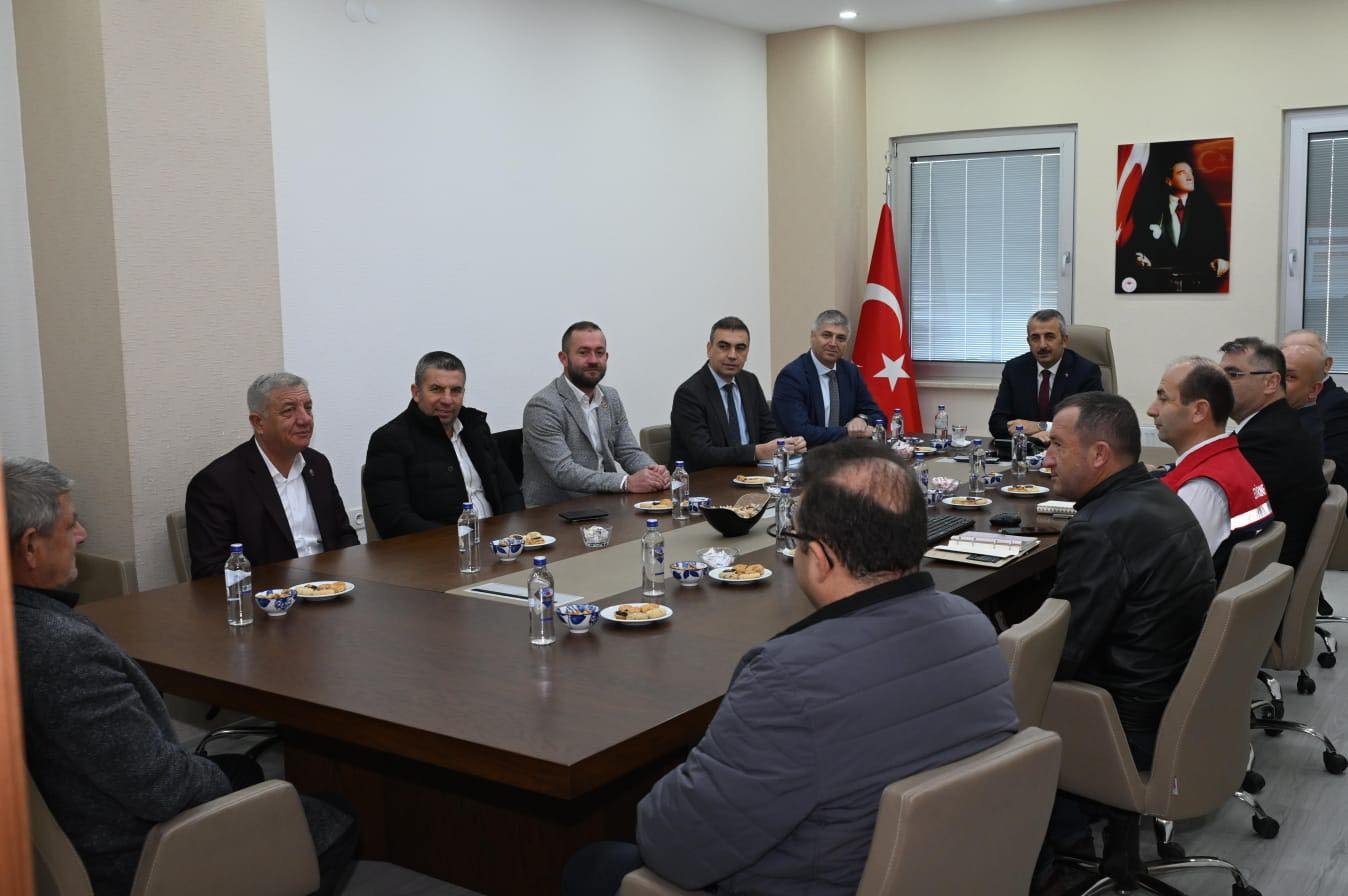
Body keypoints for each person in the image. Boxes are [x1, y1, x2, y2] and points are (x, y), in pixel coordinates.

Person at [562, 441, 1018, 896]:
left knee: (592, 865)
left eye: (793, 539)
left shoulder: (789, 681)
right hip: (953, 873)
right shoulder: (972, 625)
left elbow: (673, 846)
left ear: (819, 558)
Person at [8, 458, 357, 896]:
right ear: (30, 547)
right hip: (139, 858)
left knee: (242, 769)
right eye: (70, 524)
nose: (83, 535)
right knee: (336, 815)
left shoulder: (21, 627)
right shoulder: (65, 653)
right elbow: (162, 788)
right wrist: (218, 783)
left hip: (68, 821)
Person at [1037, 393, 1215, 881]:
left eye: (1057, 445)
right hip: (1172, 699)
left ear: (1099, 455)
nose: (1046, 459)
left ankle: (1053, 860)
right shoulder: (1162, 497)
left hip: (1124, 722)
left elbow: (1059, 656)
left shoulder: (1098, 529)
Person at [186, 373, 358, 579]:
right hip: (269, 594)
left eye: (308, 407)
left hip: (330, 589)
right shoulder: (217, 483)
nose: (305, 419)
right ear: (258, 422)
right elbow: (211, 573)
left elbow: (345, 537)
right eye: (289, 410)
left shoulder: (317, 465)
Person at [364, 351, 523, 537]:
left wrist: (513, 535)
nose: (447, 400)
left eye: (455, 390)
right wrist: (462, 540)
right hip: (438, 548)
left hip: (499, 542)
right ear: (416, 392)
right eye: (436, 389)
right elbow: (394, 520)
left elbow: (510, 493)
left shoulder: (476, 428)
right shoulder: (389, 440)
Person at [1146, 357, 1272, 581]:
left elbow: (1167, 576)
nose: (1151, 410)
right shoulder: (1228, 461)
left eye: (1163, 398)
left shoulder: (1202, 489)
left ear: (1199, 411)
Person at [522, 321, 669, 506]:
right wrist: (626, 482)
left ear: (606, 357)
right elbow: (563, 471)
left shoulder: (610, 397)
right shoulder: (543, 406)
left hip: (606, 502)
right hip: (554, 511)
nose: (593, 360)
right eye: (583, 352)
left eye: (599, 352)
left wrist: (653, 472)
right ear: (564, 358)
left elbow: (628, 451)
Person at [1220, 337, 1326, 568]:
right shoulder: (1277, 424)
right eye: (1220, 375)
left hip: (1254, 573)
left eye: (1233, 374)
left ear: (1271, 383)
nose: (1218, 385)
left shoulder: (1265, 439)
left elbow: (1216, 508)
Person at [669, 317, 805, 472]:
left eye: (740, 348)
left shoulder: (749, 382)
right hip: (706, 479)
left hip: (751, 475)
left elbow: (768, 431)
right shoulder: (689, 393)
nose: (732, 355)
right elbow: (703, 454)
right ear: (709, 349)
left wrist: (786, 444)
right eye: (723, 346)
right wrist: (757, 452)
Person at [771, 310, 883, 447]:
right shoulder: (792, 376)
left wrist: (862, 419)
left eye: (840, 338)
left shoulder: (850, 371)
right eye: (826, 335)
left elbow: (878, 416)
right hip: (807, 454)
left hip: (845, 454)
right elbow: (800, 432)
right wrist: (848, 432)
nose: (833, 343)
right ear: (812, 336)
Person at [988, 309, 1103, 442]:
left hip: (1067, 450)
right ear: (1029, 342)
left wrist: (1043, 426)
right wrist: (1030, 437)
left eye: (1049, 336)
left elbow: (1092, 425)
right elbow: (997, 423)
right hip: (1026, 449)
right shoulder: (1015, 369)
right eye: (1035, 338)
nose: (1042, 345)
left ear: (1064, 340)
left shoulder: (1086, 372)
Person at [1126, 159, 1230, 292]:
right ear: (1169, 181)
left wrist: (1222, 261)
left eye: (1191, 173)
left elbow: (1217, 248)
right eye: (1182, 173)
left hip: (1197, 287)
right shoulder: (1152, 209)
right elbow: (1139, 242)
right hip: (1159, 286)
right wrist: (1140, 256)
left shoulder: (1206, 211)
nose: (1190, 177)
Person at [1281, 331, 1348, 493]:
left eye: (1305, 350)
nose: (1294, 355)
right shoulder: (1284, 399)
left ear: (1326, 364)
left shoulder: (1339, 404)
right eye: (1287, 350)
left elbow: (1335, 472)